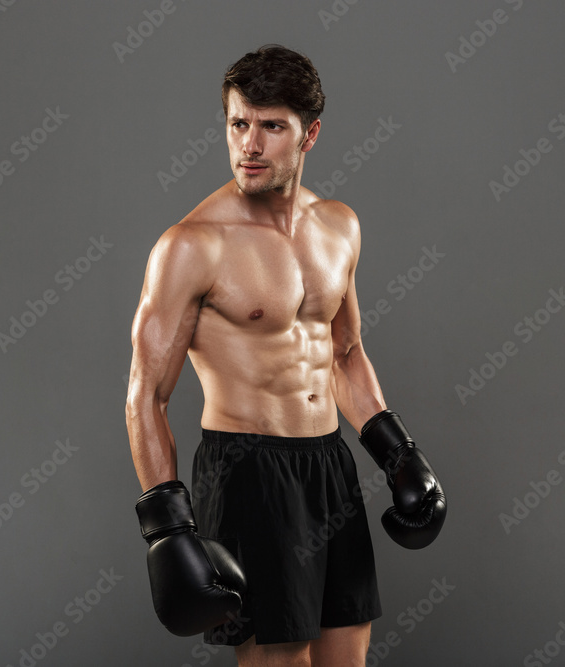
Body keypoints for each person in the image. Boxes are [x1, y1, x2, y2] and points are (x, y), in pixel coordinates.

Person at [126, 44, 446, 667]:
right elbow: (146, 395)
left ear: (310, 134)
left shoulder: (339, 226)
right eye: (238, 123)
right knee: (280, 661)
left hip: (328, 467)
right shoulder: (191, 245)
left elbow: (346, 352)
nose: (250, 144)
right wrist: (168, 528)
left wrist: (398, 455)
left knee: (345, 657)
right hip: (249, 472)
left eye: (272, 127)